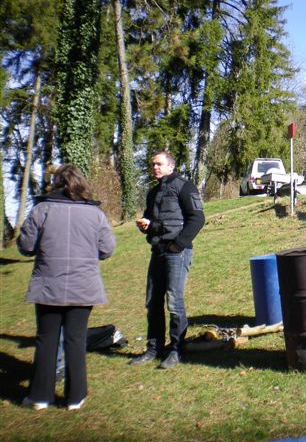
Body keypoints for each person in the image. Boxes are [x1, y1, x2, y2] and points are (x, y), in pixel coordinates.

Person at [18, 164, 116, 410]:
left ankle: (40, 396)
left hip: (49, 284)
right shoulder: (95, 214)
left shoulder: (42, 209)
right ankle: (75, 397)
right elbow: (107, 249)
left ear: (57, 182)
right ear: (81, 183)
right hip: (82, 286)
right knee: (76, 339)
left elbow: (26, 246)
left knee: (47, 339)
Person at [130, 151, 205, 369]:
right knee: (153, 302)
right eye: (153, 164)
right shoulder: (153, 192)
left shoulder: (184, 186)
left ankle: (176, 350)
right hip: (157, 252)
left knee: (174, 301)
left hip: (177, 252)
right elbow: (152, 221)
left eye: (159, 164)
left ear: (170, 166)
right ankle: (154, 349)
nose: (155, 167)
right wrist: (146, 225)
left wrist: (178, 245)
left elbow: (198, 218)